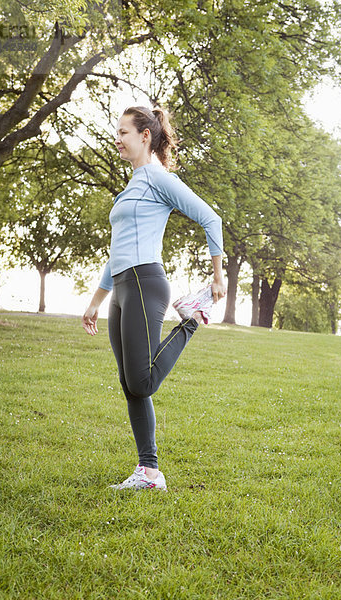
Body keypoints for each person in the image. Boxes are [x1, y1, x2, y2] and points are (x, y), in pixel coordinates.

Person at [82, 105, 226, 491]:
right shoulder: (131, 185)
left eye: (123, 132)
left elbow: (211, 218)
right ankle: (148, 472)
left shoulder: (159, 178)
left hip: (146, 282)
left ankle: (192, 318)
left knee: (142, 382)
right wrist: (97, 301)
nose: (118, 138)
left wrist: (218, 275)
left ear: (145, 136)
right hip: (123, 287)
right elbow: (117, 251)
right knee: (130, 384)